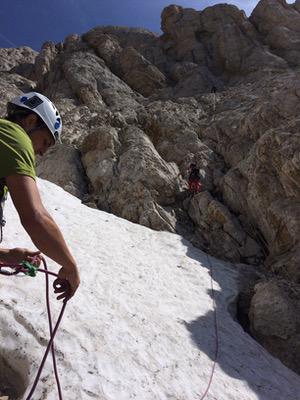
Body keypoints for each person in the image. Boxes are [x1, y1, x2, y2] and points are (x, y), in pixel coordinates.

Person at [0, 92, 80, 300]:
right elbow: (35, 217)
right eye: (45, 141)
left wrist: (7, 255)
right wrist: (69, 265)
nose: (43, 152)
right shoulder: (16, 137)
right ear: (30, 121)